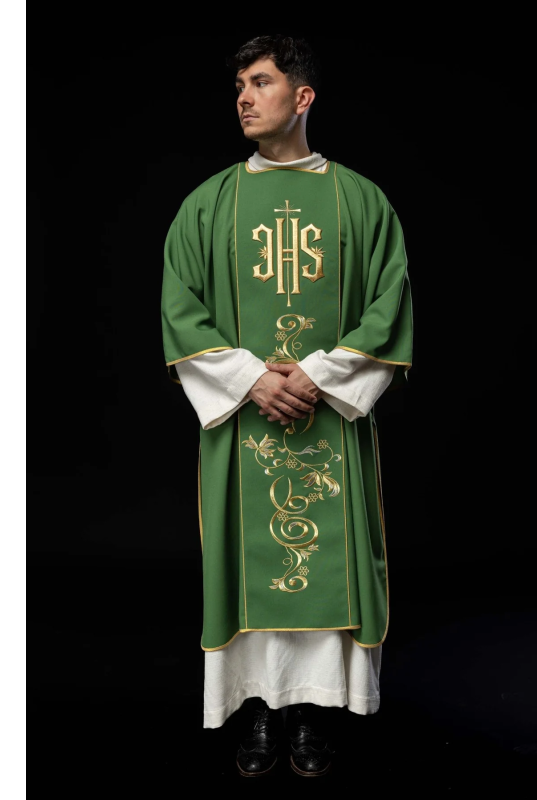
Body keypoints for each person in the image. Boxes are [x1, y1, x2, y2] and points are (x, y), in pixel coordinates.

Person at [161, 35, 413, 777]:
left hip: (328, 418)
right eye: (239, 85)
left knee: (329, 562)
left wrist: (316, 376)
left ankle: (311, 712)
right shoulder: (208, 204)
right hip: (245, 424)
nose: (243, 97)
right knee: (248, 562)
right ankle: (260, 711)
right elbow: (180, 307)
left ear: (302, 97)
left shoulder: (361, 200)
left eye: (261, 82)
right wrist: (250, 379)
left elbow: (390, 304)